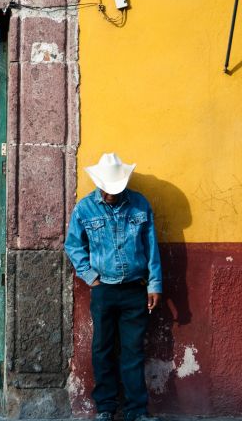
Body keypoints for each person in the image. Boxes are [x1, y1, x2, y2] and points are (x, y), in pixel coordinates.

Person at [64, 153, 162, 421]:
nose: (110, 195)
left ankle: (136, 410)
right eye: (106, 191)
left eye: (114, 191)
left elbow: (151, 246)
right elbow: (73, 245)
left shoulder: (140, 205)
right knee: (102, 348)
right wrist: (89, 275)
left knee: (133, 350)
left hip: (134, 289)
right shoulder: (85, 208)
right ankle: (105, 408)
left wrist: (155, 284)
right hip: (104, 290)